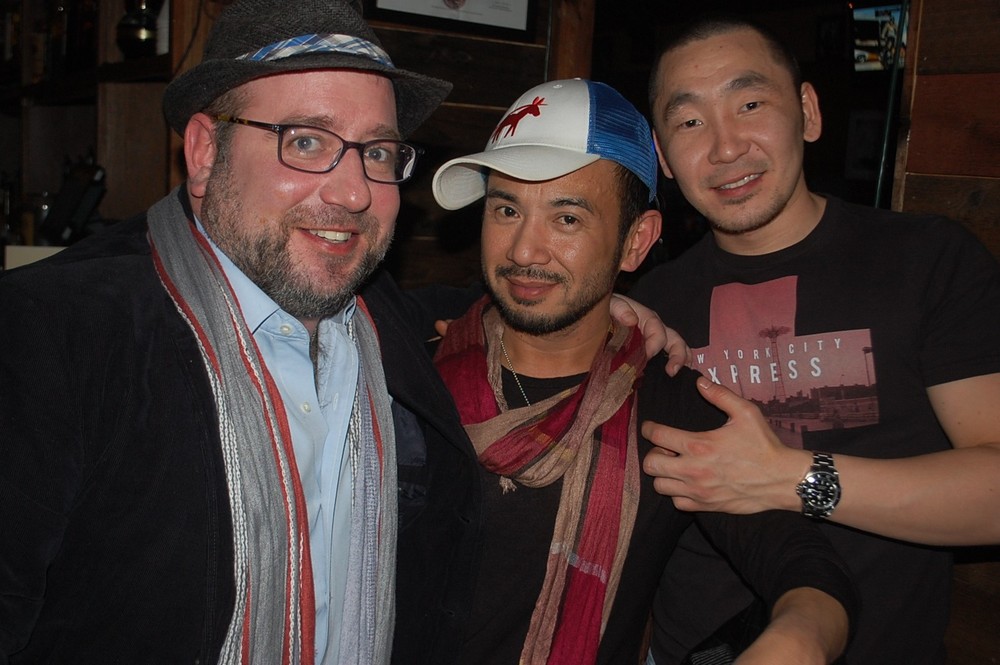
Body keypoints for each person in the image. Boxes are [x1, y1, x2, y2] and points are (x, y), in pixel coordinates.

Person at [0, 0, 487, 662]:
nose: (353, 193)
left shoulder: (384, 322)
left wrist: (609, 311)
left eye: (376, 152)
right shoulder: (54, 332)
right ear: (205, 151)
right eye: (307, 141)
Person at [430, 77, 858, 665]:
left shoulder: (673, 409)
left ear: (636, 243)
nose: (524, 251)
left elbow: (809, 570)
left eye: (567, 219)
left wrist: (797, 639)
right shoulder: (415, 359)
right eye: (507, 209)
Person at [631, 14, 1000, 665]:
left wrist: (792, 478)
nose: (725, 147)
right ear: (662, 155)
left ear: (807, 112)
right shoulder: (651, 307)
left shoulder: (926, 260)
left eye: (750, 104)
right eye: (689, 122)